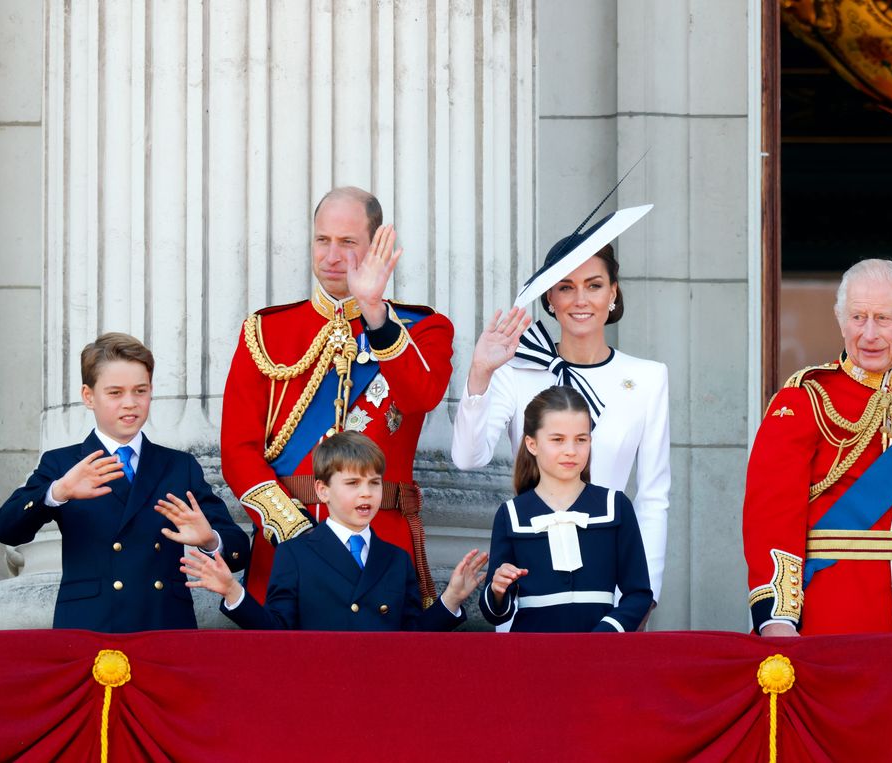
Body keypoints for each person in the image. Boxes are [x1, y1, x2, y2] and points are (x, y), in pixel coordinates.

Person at [220, 187, 454, 605]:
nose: (331, 256)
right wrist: (295, 533)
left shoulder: (422, 330)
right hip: (287, 543)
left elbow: (421, 397)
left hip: (380, 541)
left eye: (348, 243)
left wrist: (375, 314)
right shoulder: (265, 332)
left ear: (378, 248)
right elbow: (238, 450)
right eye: (322, 240)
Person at [742, 258, 892, 635]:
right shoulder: (805, 398)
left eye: (883, 318)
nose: (868, 334)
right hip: (826, 617)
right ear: (840, 319)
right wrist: (777, 618)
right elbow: (770, 517)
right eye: (857, 317)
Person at [451, 239, 670, 606]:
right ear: (549, 298)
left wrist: (642, 597)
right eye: (566, 287)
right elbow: (467, 458)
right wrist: (480, 373)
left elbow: (653, 498)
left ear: (613, 293)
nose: (580, 299)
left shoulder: (648, 378)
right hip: (528, 573)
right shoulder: (515, 372)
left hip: (611, 581)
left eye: (594, 285)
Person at [0, 333, 250, 632]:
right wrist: (57, 491)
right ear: (89, 396)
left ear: (151, 391)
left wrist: (209, 540)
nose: (130, 403)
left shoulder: (179, 466)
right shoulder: (62, 463)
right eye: (115, 393)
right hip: (89, 627)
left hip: (164, 624)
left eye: (140, 390)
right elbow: (6, 528)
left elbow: (238, 551)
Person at [182, 431, 487, 631]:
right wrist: (234, 593)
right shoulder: (296, 554)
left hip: (381, 696)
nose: (366, 494)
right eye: (353, 484)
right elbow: (276, 632)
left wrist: (452, 598)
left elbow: (411, 638)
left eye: (374, 483)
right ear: (323, 490)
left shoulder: (396, 559)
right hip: (318, 696)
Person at [480, 386, 652, 632]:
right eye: (558, 440)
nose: (571, 450)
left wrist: (605, 635)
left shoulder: (616, 506)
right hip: (533, 656)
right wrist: (498, 590)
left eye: (581, 439)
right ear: (532, 444)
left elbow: (639, 594)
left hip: (601, 657)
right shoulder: (511, 514)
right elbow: (494, 614)